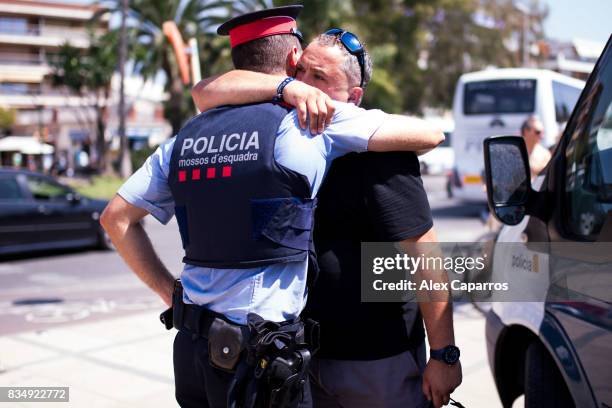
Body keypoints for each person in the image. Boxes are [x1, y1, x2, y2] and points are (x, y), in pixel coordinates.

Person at [101, 5, 444, 408]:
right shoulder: (309, 122)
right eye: (304, 73)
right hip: (259, 358)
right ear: (293, 59)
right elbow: (431, 133)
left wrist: (171, 295)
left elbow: (115, 218)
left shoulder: (185, 138)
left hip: (192, 351)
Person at [192, 30, 462, 408]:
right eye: (299, 73)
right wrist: (288, 89)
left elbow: (424, 253)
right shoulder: (277, 137)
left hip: (375, 361)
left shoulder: (380, 150)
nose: (306, 87)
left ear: (353, 98)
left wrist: (444, 353)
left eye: (319, 78)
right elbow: (205, 92)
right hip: (299, 359)